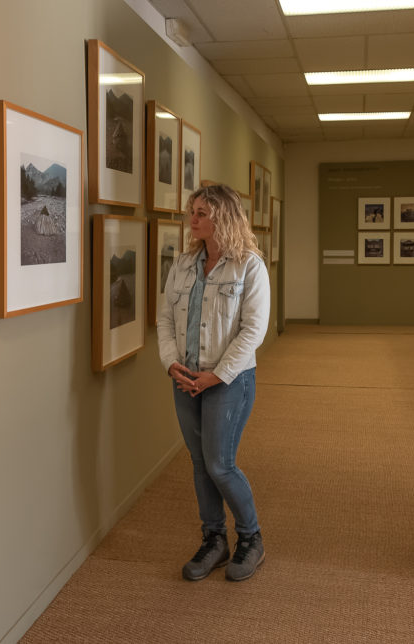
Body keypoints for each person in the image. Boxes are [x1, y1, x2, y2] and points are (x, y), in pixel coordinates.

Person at [157, 183, 270, 582]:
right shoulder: (184, 265)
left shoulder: (249, 266)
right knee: (200, 464)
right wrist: (171, 362)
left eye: (201, 213)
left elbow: (253, 331)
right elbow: (166, 318)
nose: (193, 220)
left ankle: (251, 538)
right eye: (193, 212)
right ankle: (214, 539)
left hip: (229, 380)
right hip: (186, 377)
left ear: (222, 217)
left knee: (221, 465)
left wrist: (215, 376)